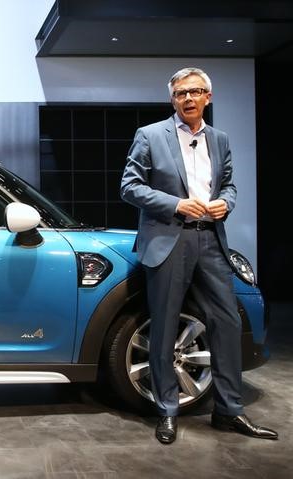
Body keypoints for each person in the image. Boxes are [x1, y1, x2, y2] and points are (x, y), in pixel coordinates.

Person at [120, 67, 278, 444]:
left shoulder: (219, 139)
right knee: (165, 328)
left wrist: (227, 202)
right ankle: (168, 411)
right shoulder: (151, 135)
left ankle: (228, 411)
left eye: (195, 92)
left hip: (210, 240)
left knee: (226, 323)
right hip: (168, 240)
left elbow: (229, 184)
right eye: (180, 94)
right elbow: (129, 186)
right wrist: (176, 204)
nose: (188, 99)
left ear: (208, 96)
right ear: (172, 99)